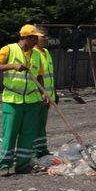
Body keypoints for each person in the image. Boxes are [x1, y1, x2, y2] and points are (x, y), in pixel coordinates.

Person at [0, 24, 46, 176]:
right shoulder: (9, 49)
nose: (38, 40)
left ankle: (23, 165)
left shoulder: (37, 54)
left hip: (32, 101)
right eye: (35, 38)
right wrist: (12, 66)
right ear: (28, 38)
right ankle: (5, 165)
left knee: (28, 135)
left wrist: (43, 92)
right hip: (13, 100)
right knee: (10, 134)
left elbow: (39, 75)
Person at [33, 27, 56, 158]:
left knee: (42, 125)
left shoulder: (46, 52)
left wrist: (53, 93)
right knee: (35, 125)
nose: (46, 38)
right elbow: (36, 76)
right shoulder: (33, 53)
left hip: (48, 96)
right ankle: (34, 151)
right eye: (43, 36)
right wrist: (41, 93)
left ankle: (42, 149)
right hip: (38, 96)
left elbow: (49, 75)